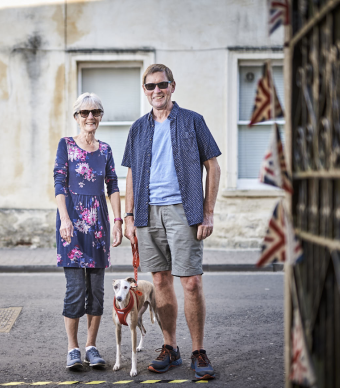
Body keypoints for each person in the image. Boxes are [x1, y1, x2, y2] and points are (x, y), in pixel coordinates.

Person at [122, 64, 221, 380]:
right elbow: (132, 175)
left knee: (191, 281)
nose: (156, 91)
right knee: (160, 282)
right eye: (150, 86)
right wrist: (127, 216)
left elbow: (213, 167)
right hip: (147, 214)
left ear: (172, 86)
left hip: (184, 211)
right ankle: (170, 348)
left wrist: (207, 212)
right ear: (145, 90)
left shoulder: (192, 121)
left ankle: (198, 351)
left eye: (161, 85)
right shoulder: (138, 128)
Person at [54, 92, 123, 370]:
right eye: (84, 113)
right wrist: (64, 219)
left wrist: (118, 221)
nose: (90, 117)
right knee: (75, 290)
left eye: (95, 112)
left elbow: (113, 185)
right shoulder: (66, 145)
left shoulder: (105, 150)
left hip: (98, 225)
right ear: (76, 117)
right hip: (71, 224)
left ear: (101, 116)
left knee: (96, 291)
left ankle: (91, 346)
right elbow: (59, 183)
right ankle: (72, 349)